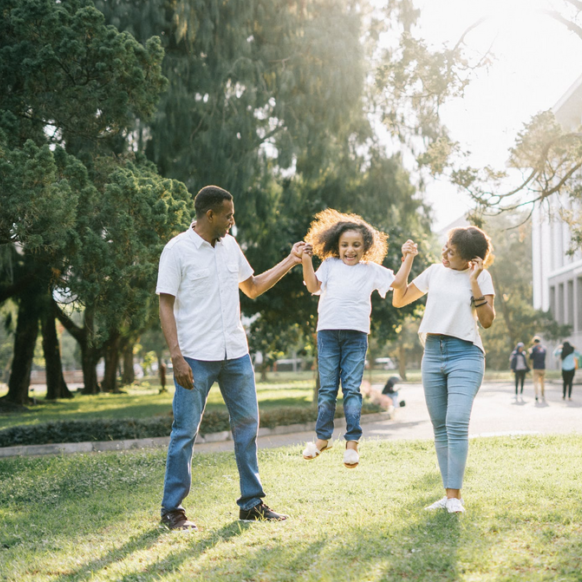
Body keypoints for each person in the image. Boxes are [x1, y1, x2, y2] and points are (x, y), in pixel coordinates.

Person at [156, 185, 307, 530]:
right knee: (184, 432)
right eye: (228, 214)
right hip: (195, 356)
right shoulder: (177, 250)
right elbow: (164, 304)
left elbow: (252, 286)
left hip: (235, 354)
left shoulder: (229, 246)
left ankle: (251, 504)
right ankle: (172, 510)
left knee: (247, 427)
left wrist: (291, 260)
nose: (232, 220)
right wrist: (176, 357)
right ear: (210, 215)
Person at [300, 209, 418, 468]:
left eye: (356, 245)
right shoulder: (329, 265)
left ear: (366, 247)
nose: (350, 250)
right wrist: (306, 261)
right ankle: (322, 439)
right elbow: (312, 286)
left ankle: (352, 444)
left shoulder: (371, 270)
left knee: (352, 389)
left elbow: (398, 282)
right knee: (328, 389)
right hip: (328, 334)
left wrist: (408, 258)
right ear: (336, 246)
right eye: (344, 245)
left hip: (356, 336)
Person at [393, 226, 495, 514]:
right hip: (433, 353)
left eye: (453, 252)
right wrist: (408, 260)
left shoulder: (482, 276)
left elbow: (487, 320)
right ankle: (449, 496)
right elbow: (399, 299)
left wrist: (474, 281)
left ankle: (455, 497)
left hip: (466, 354)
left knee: (457, 421)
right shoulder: (435, 272)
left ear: (471, 260)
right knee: (440, 428)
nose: (445, 254)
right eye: (446, 248)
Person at [528, 336, 547, 402]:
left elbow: (531, 357)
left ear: (534, 342)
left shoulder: (533, 348)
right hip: (542, 367)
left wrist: (530, 352)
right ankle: (543, 395)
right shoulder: (544, 348)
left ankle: (536, 394)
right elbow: (544, 357)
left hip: (536, 367)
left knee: (535, 382)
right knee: (542, 382)